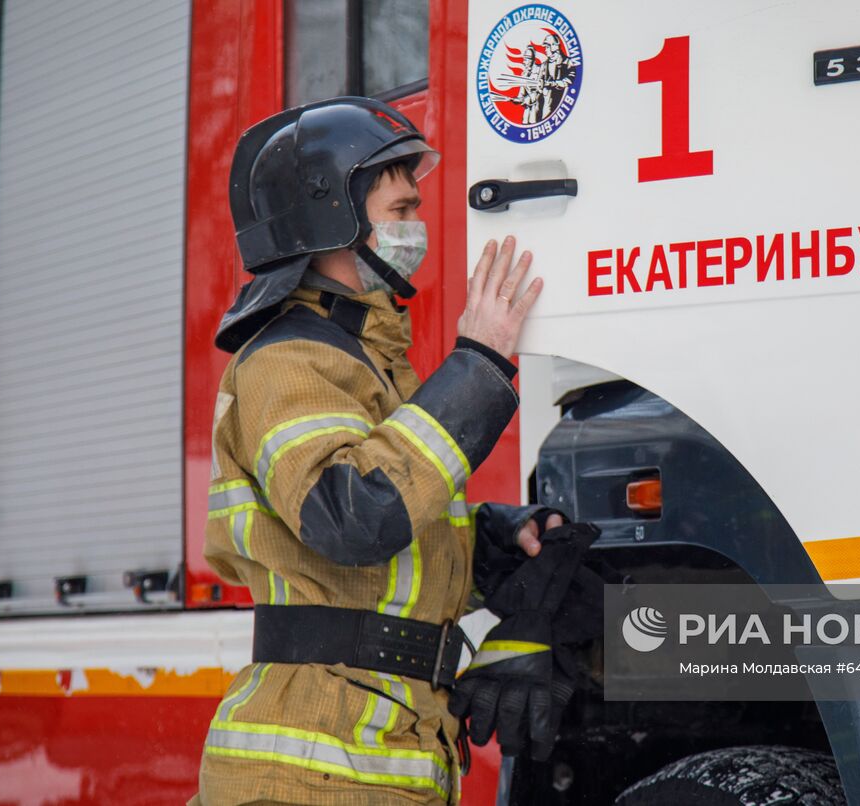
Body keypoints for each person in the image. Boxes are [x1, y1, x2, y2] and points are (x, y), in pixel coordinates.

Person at [190, 97, 593, 806]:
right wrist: (480, 365)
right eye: (401, 210)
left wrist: (494, 539)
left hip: (369, 761)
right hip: (304, 777)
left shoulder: (366, 363)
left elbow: (388, 541)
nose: (416, 228)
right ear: (331, 218)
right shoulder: (287, 365)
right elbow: (354, 517)